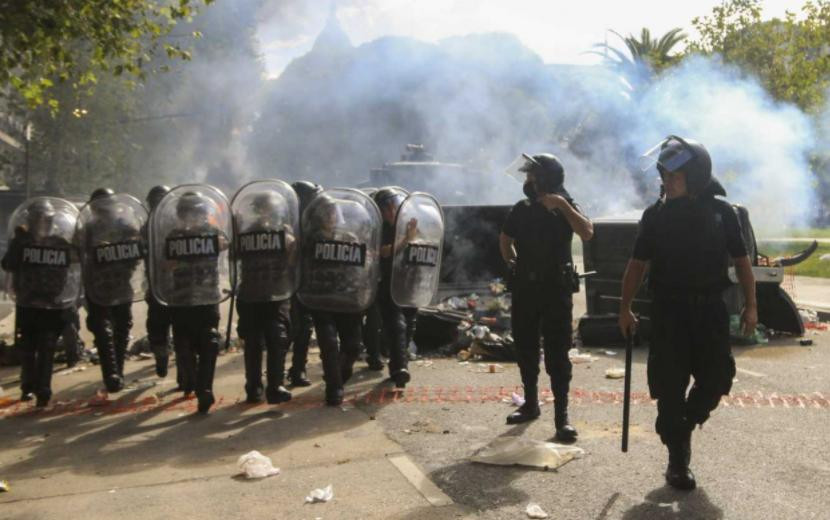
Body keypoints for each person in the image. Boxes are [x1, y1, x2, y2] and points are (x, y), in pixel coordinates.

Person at [618, 135, 757, 490]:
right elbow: (637, 265)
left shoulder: (722, 213)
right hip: (669, 314)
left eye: (674, 177)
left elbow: (742, 262)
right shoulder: (656, 216)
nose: (666, 182)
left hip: (710, 311)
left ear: (695, 177)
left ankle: (682, 427)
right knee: (669, 387)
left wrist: (751, 306)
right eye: (664, 175)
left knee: (716, 379)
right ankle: (677, 461)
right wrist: (625, 307)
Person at [499, 153, 594, 441]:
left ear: (547, 178)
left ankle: (562, 418)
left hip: (556, 290)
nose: (528, 181)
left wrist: (563, 206)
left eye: (532, 176)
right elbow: (505, 239)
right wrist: (512, 263)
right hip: (526, 289)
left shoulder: (564, 206)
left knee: (557, 354)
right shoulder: (522, 208)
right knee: (526, 348)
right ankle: (530, 404)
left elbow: (587, 232)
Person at [299, 192, 379, 405]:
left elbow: (364, 267)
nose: (330, 216)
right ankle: (334, 389)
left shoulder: (350, 238)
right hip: (321, 298)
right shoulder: (309, 241)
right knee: (329, 344)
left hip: (347, 299)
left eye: (333, 212)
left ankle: (338, 378)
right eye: (326, 212)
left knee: (353, 346)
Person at [156, 190, 230, 413]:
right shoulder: (174, 236)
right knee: (184, 346)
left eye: (197, 213)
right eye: (188, 213)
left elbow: (225, 243)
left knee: (209, 344)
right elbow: (164, 265)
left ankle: (204, 390)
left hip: (207, 298)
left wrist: (204, 239)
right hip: (181, 300)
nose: (193, 217)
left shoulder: (212, 232)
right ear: (181, 214)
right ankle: (191, 381)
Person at [2, 198, 81, 406]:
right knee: (27, 347)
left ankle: (43, 389)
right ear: (30, 220)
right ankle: (27, 387)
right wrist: (18, 243)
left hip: (52, 303)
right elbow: (8, 264)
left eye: (45, 219)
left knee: (47, 346)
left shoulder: (59, 243)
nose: (41, 223)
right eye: (37, 219)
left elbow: (77, 262)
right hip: (27, 301)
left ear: (51, 220)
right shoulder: (22, 241)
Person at [234, 189, 296, 404]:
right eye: (263, 210)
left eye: (270, 210)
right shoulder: (246, 232)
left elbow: (291, 261)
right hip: (251, 294)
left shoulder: (284, 233)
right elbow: (234, 258)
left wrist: (292, 244)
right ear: (258, 211)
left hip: (277, 293)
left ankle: (275, 386)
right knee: (252, 342)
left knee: (277, 339)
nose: (267, 214)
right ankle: (253, 387)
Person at [80, 188, 144, 392]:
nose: (103, 211)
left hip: (121, 284)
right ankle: (111, 375)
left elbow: (139, 250)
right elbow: (78, 253)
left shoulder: (125, 227)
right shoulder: (87, 229)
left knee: (122, 328)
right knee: (101, 330)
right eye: (99, 207)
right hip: (97, 286)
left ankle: (118, 371)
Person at [374, 187, 414, 388]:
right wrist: (406, 239)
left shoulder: (408, 224)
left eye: (395, 205)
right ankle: (399, 369)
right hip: (387, 283)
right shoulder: (378, 228)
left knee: (408, 325)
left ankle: (397, 359)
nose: (392, 211)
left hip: (408, 283)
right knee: (397, 325)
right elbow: (384, 252)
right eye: (387, 207)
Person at [287, 181, 323, 387]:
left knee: (305, 329)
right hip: (291, 283)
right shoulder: (288, 223)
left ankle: (298, 369)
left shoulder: (316, 223)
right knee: (292, 329)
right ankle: (280, 370)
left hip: (311, 281)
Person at [144, 185, 176, 381]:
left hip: (172, 285)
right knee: (161, 326)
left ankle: (164, 356)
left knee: (160, 326)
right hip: (162, 285)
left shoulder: (147, 226)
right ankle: (163, 356)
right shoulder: (147, 227)